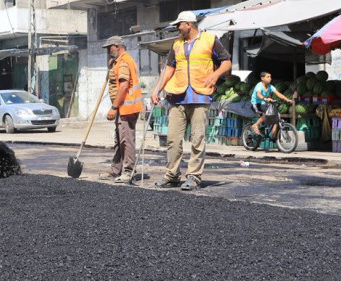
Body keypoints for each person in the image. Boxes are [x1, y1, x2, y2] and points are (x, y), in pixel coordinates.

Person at [150, 11, 232, 191]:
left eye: (179, 25)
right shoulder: (176, 44)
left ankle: (194, 176)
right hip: (177, 96)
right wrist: (157, 89)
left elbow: (227, 62)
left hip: (200, 95)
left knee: (197, 138)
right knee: (173, 139)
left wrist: (215, 75)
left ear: (188, 24)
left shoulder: (210, 40)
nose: (177, 28)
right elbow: (169, 69)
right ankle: (171, 175)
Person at [98, 36, 143, 184]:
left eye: (109, 48)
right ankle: (115, 170)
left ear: (117, 46)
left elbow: (123, 86)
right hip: (123, 107)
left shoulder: (123, 61)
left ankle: (129, 171)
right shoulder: (119, 62)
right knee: (119, 140)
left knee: (126, 140)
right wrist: (111, 67)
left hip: (126, 107)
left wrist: (113, 107)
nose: (108, 51)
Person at [250, 71, 293, 138]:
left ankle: (273, 137)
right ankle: (255, 125)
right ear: (262, 78)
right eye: (268, 77)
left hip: (265, 104)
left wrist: (287, 99)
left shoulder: (270, 86)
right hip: (256, 104)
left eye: (270, 77)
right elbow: (258, 94)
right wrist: (265, 99)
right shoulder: (259, 85)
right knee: (266, 114)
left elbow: (278, 93)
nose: (270, 78)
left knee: (276, 119)